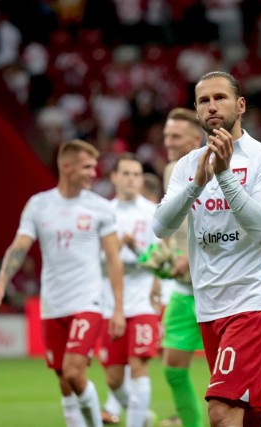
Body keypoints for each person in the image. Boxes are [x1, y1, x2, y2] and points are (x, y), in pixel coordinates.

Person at [153, 71, 261, 427]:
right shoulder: (186, 166)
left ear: (240, 105)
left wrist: (225, 176)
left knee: (221, 412)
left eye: (220, 98)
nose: (212, 106)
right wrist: (198, 182)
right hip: (209, 306)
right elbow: (160, 226)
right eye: (203, 101)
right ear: (197, 111)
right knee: (248, 418)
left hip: (253, 303)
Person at [0, 139, 126, 427]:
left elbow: (113, 259)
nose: (93, 173)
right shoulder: (39, 205)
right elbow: (19, 247)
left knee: (74, 372)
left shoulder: (100, 208)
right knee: (64, 380)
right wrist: (2, 283)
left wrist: (118, 308)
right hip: (52, 304)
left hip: (88, 302)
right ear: (67, 166)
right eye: (87, 167)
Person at [99, 153, 160, 427]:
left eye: (136, 174)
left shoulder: (151, 212)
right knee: (113, 377)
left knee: (139, 367)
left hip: (142, 301)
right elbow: (94, 259)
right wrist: (116, 250)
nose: (132, 179)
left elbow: (161, 258)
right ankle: (142, 415)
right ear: (114, 177)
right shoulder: (103, 214)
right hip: (110, 303)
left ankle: (135, 423)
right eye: (125, 173)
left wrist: (135, 249)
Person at [159, 107, 206, 427]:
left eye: (175, 136)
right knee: (173, 368)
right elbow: (173, 225)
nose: (169, 142)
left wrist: (191, 256)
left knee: (231, 373)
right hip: (182, 288)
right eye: (166, 136)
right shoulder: (170, 171)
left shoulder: (216, 167)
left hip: (214, 287)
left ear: (195, 139)